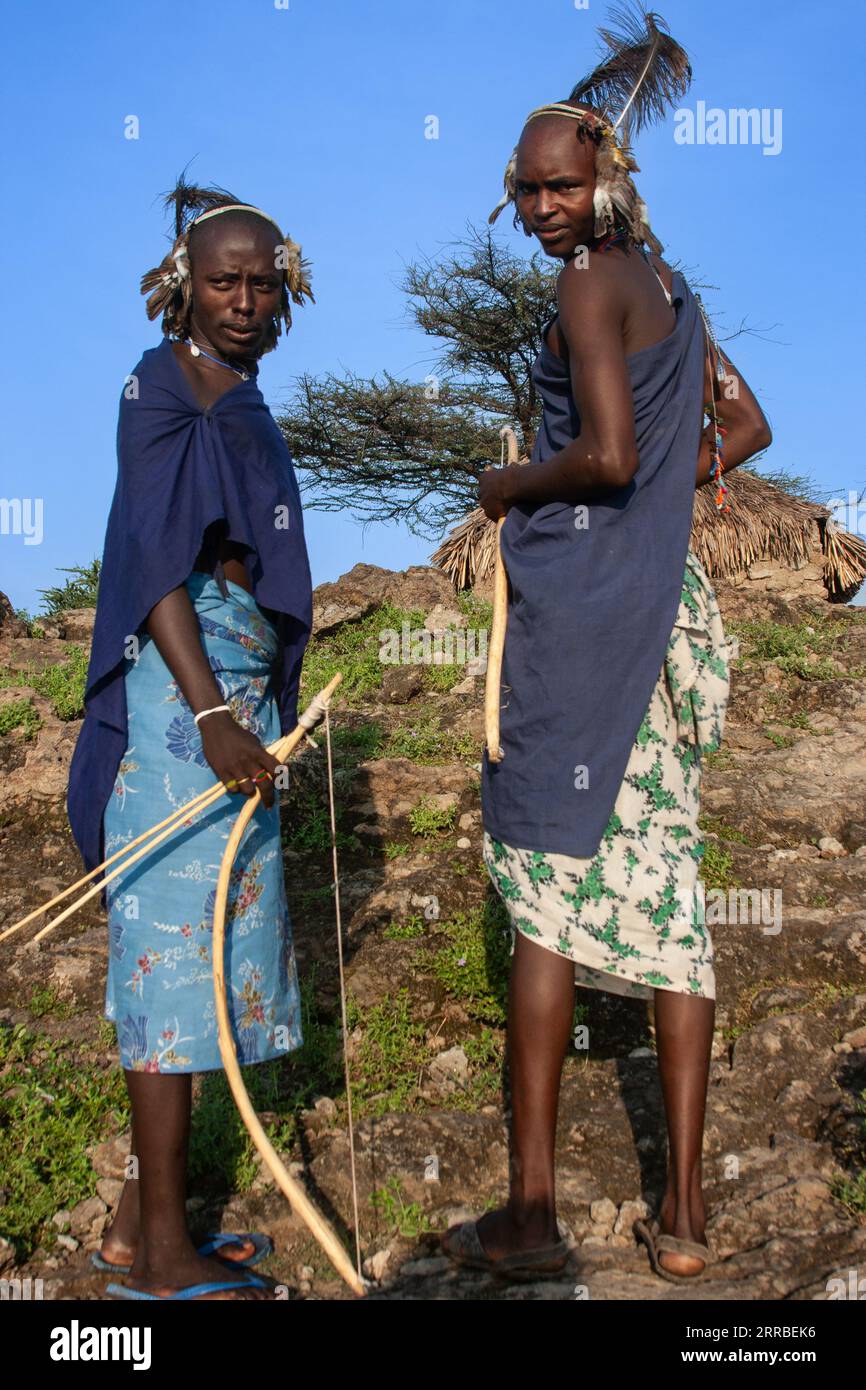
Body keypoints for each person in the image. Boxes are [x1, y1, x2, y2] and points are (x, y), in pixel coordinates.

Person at [441, 71, 772, 1281]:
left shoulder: (588, 285)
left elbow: (610, 451)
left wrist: (508, 487)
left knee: (538, 898)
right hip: (662, 621)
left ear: (606, 181)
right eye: (524, 190)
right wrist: (646, 520)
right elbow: (741, 428)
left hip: (587, 632)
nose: (540, 207)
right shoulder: (672, 294)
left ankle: (530, 1217)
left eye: (559, 185)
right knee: (671, 906)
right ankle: (681, 1219)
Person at [66, 176, 315, 1299]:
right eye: (225, 280)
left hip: (236, 692)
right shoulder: (157, 387)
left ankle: (137, 1226)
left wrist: (252, 704)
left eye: (264, 283)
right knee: (170, 971)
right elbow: (156, 560)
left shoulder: (241, 397)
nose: (246, 300)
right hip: (183, 702)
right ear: (184, 285)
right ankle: (161, 1262)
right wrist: (214, 714)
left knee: (205, 961)